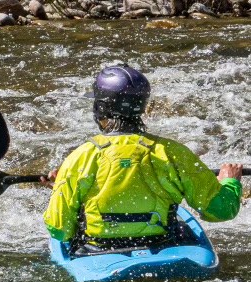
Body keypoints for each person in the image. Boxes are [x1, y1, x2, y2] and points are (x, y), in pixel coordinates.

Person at [44, 64, 243, 254]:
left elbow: (59, 228)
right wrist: (229, 181)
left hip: (97, 250)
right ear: (142, 106)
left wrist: (62, 189)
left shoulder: (81, 156)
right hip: (163, 244)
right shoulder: (173, 152)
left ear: (100, 108)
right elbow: (221, 211)